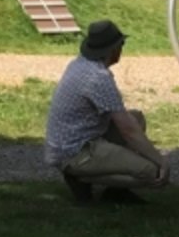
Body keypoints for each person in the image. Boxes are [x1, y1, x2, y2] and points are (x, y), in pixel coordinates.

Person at [45, 19, 168, 205]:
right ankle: (80, 177)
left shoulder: (80, 64)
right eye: (122, 44)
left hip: (71, 142)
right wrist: (160, 161)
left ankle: (115, 192)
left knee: (136, 118)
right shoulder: (98, 78)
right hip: (77, 150)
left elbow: (127, 121)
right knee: (152, 174)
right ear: (113, 49)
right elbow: (128, 130)